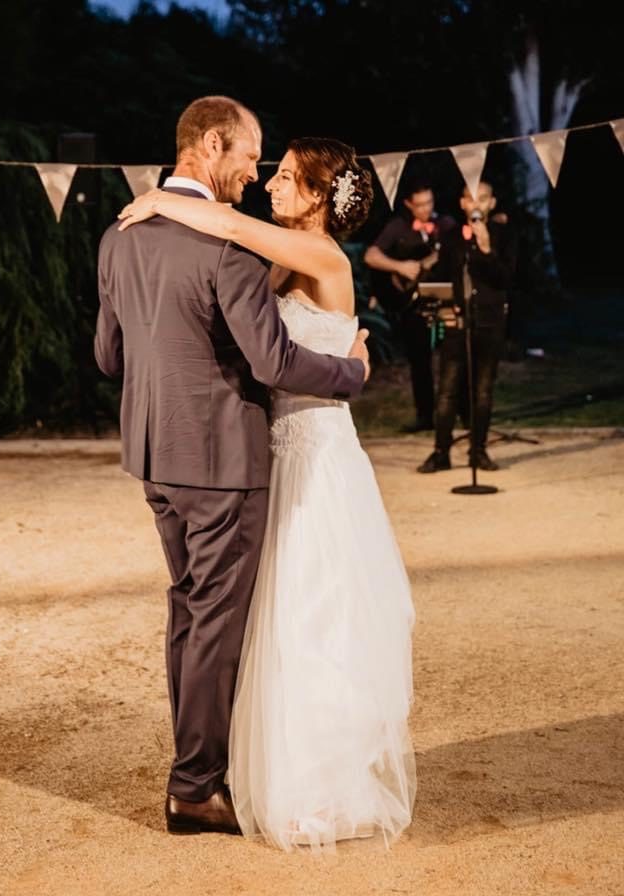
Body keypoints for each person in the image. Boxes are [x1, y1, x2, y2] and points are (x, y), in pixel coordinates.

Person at [118, 135, 416, 851]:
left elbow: (224, 222)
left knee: (311, 615)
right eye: (274, 173)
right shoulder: (280, 260)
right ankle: (258, 773)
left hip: (315, 457)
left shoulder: (321, 256)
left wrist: (161, 199)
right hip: (268, 455)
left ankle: (317, 787)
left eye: (286, 177)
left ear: (318, 197)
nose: (270, 185)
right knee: (265, 622)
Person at [417, 179, 517, 473]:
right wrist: (443, 306)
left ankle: (479, 450)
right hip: (457, 323)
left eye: (482, 198)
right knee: (447, 390)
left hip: (489, 322)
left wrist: (486, 248)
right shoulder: (451, 237)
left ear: (492, 203)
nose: (476, 204)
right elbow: (441, 277)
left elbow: (506, 279)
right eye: (471, 199)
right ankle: (441, 452)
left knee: (483, 390)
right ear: (462, 203)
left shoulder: (504, 235)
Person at [364, 183, 457, 432]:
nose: (426, 209)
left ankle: (458, 413)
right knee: (420, 361)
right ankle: (425, 416)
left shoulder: (446, 225)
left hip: (445, 299)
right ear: (408, 204)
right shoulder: (398, 226)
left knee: (453, 357)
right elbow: (371, 255)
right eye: (420, 204)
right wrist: (400, 267)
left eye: (429, 202)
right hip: (412, 304)